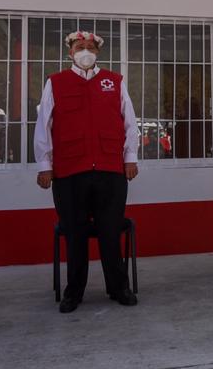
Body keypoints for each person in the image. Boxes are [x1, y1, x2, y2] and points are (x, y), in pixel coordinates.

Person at [34, 30, 139, 314]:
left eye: (91, 47)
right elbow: (44, 125)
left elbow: (129, 122)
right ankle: (74, 292)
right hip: (70, 170)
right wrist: (45, 165)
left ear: (98, 52)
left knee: (110, 232)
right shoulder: (56, 82)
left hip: (110, 169)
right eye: (80, 46)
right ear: (70, 52)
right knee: (75, 235)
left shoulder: (114, 81)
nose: (86, 51)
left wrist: (130, 158)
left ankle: (118, 287)